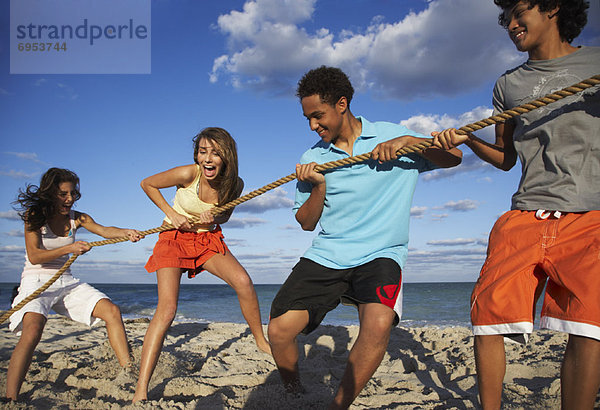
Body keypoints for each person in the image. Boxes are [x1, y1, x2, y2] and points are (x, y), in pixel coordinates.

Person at [431, 1, 600, 408]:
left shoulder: (595, 63)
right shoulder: (508, 85)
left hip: (590, 213)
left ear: (554, 8)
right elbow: (506, 158)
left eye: (519, 12)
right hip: (526, 211)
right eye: (506, 17)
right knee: (487, 316)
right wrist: (468, 140)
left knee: (589, 325)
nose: (511, 24)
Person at [267, 66, 462, 409]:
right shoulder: (313, 159)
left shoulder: (391, 135)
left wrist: (409, 142)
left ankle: (338, 406)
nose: (313, 126)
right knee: (279, 332)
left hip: (381, 253)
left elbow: (454, 158)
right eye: (307, 119)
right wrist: (319, 186)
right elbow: (306, 223)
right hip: (329, 253)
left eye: (318, 116)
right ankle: (294, 390)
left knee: (378, 323)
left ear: (341, 104)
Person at [132, 127, 271, 402]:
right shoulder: (189, 173)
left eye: (215, 152)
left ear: (227, 157)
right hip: (172, 238)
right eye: (203, 151)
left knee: (243, 281)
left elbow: (226, 216)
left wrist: (212, 220)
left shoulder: (235, 185)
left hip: (205, 240)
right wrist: (171, 213)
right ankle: (141, 389)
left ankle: (260, 341)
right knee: (167, 309)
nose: (207, 158)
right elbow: (147, 183)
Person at [6, 167, 143, 401]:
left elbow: (103, 230)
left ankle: (129, 372)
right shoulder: (34, 214)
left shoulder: (78, 217)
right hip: (35, 280)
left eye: (73, 194)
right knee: (32, 331)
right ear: (50, 193)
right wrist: (70, 248)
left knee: (112, 311)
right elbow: (35, 255)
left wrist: (126, 232)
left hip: (66, 280)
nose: (69, 199)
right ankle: (10, 398)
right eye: (63, 194)